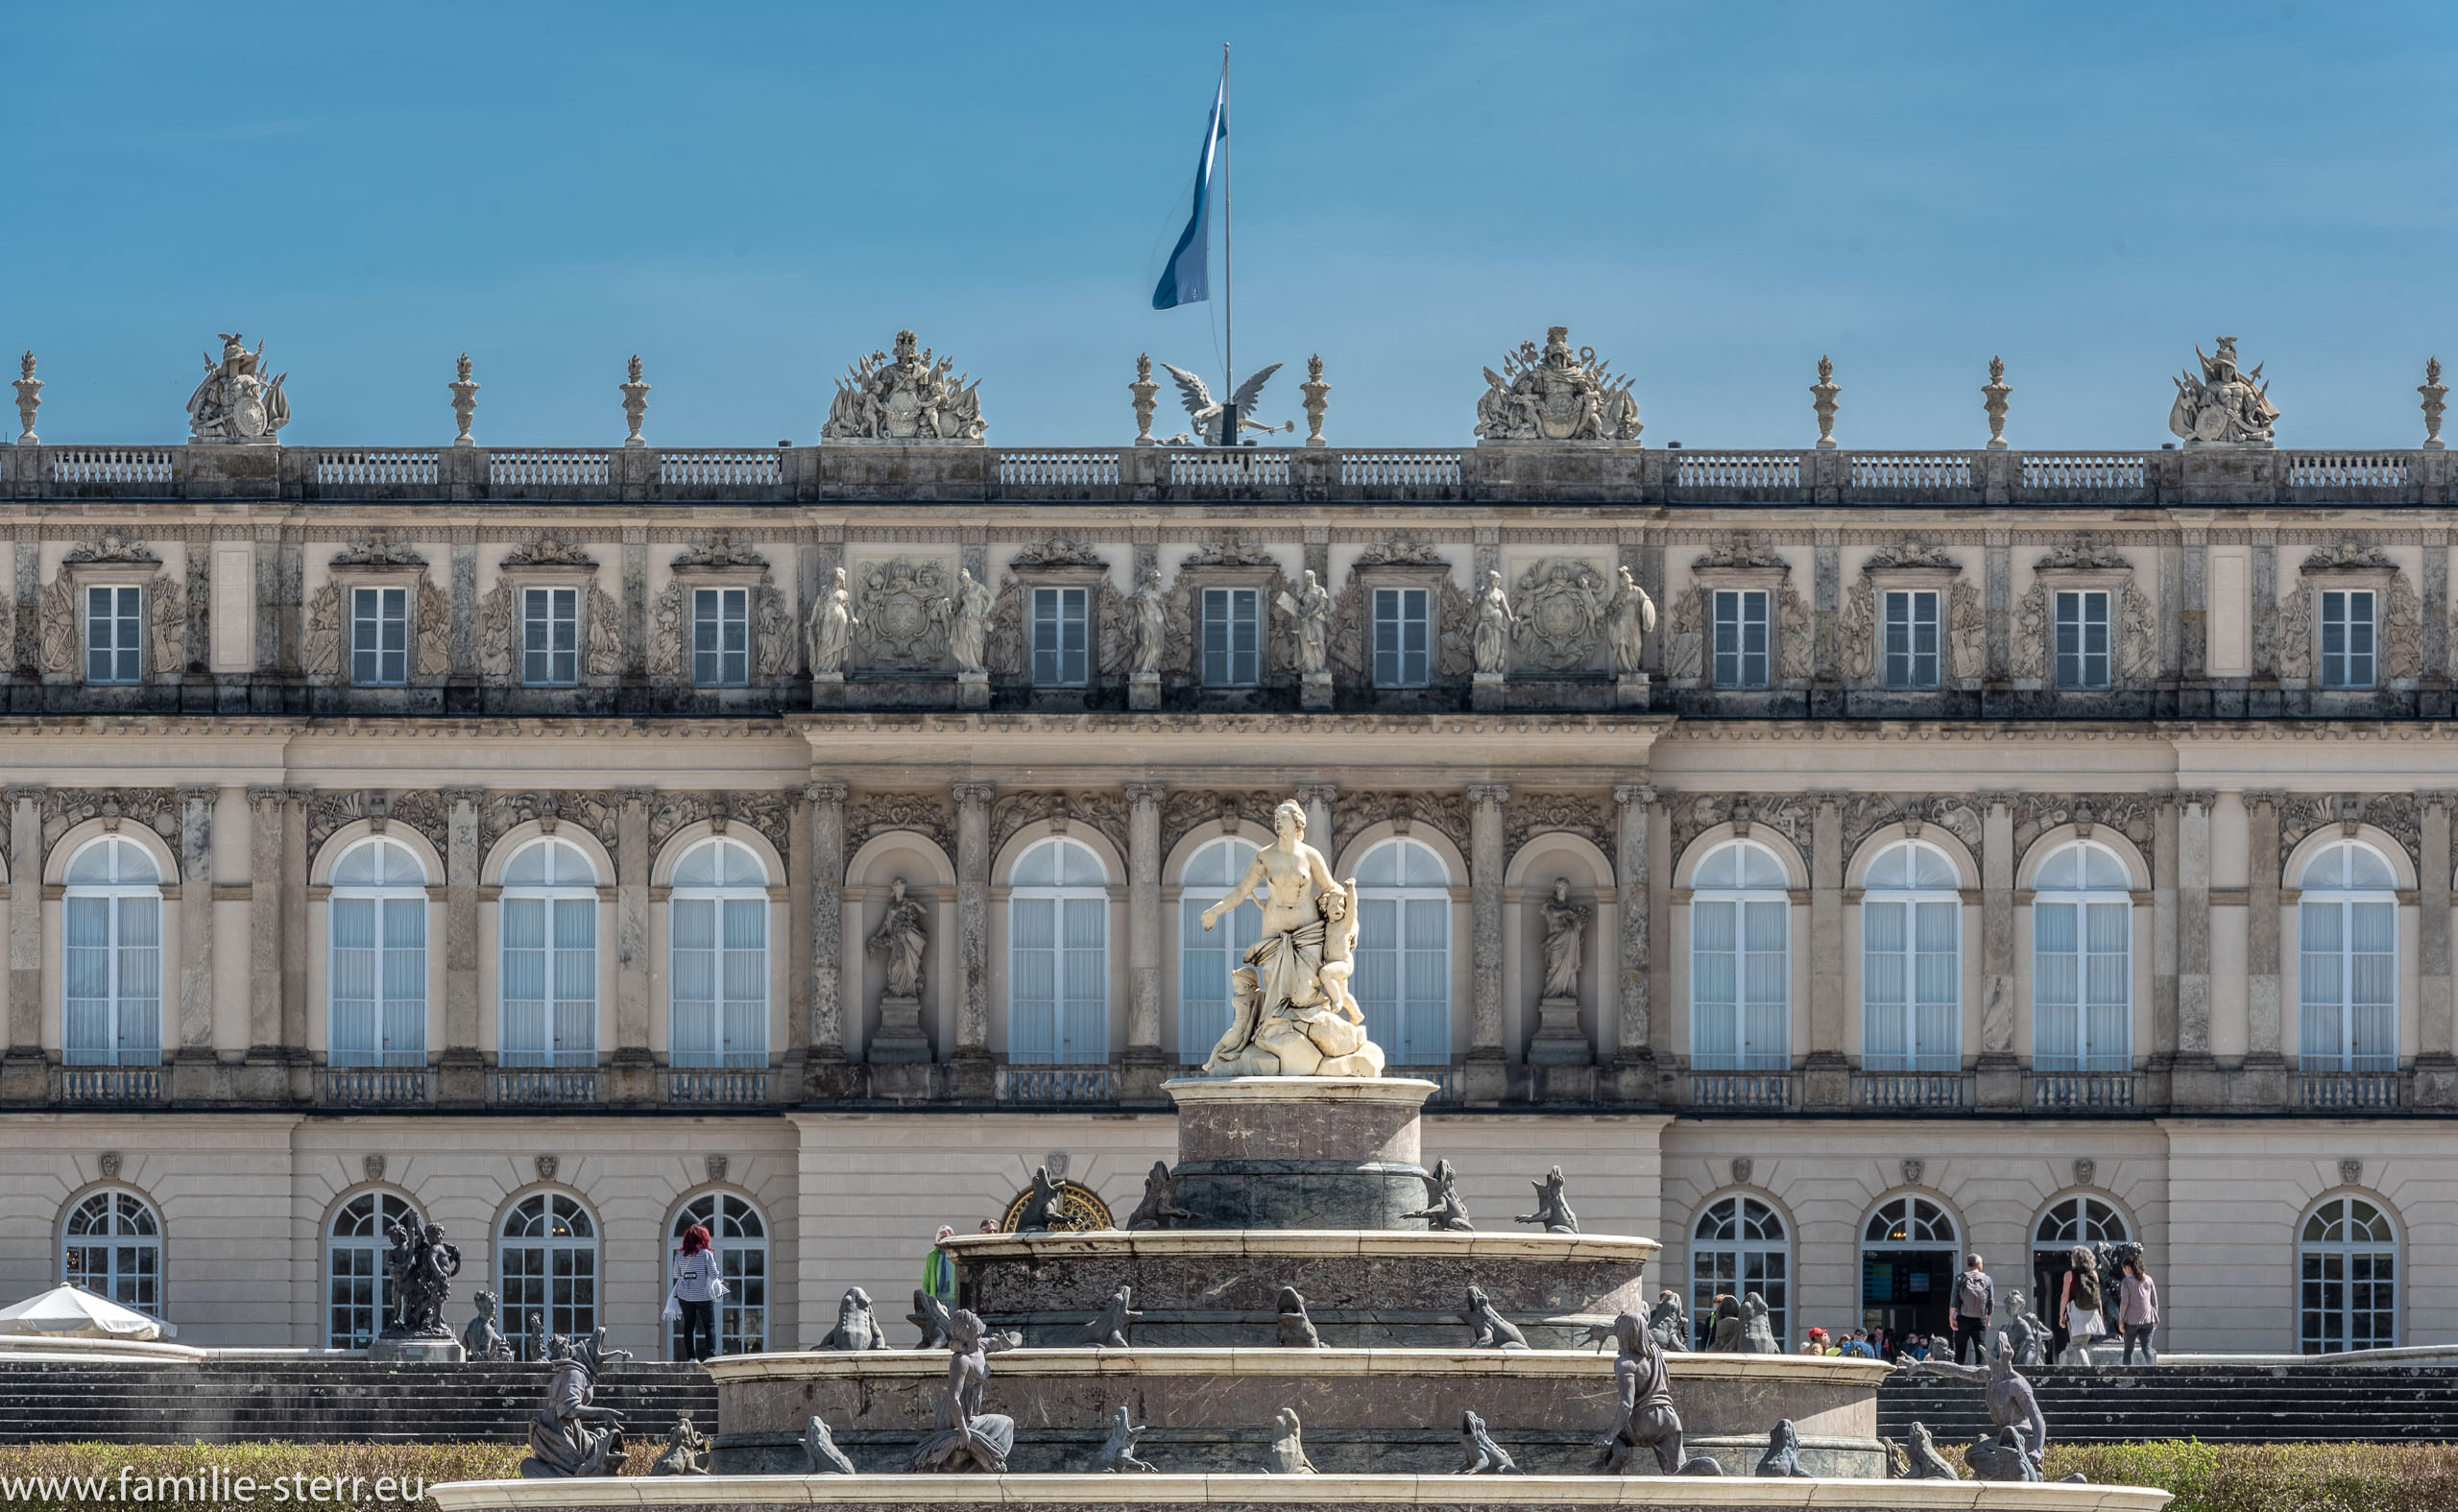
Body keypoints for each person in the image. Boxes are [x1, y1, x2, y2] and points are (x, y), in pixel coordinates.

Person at [667, 1223, 726, 1362]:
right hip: (703, 1295)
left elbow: (676, 1274)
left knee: (689, 1326)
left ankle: (691, 1357)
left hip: (685, 1295)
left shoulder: (680, 1254)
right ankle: (710, 1354)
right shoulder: (706, 1254)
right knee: (709, 1325)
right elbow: (713, 1274)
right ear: (703, 1238)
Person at [2060, 1243, 2107, 1364]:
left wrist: (2061, 1315)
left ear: (2076, 1259)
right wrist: (2100, 1314)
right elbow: (2098, 1297)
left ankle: (2087, 1372)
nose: (2071, 1259)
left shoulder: (2069, 1275)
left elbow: (2065, 1296)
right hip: (2091, 1313)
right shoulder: (2094, 1274)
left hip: (2075, 1312)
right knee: (2083, 1345)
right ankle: (2081, 1371)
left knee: (2077, 1345)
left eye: (2072, 1257)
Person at [1947, 1252, 1994, 1365]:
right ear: (1978, 1264)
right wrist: (1988, 1320)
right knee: (1981, 1349)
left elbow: (1954, 1300)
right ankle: (1980, 1376)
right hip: (1980, 1319)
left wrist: (1951, 1318)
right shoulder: (1987, 1279)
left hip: (1962, 1318)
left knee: (1960, 1349)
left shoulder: (1960, 1278)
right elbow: (1991, 1302)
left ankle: (1958, 1376)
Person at [2119, 1255, 2159, 1364]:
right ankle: (2152, 1373)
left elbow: (2124, 1303)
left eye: (2123, 1269)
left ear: (2127, 1267)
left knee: (2128, 1351)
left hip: (2130, 1322)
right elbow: (2154, 1302)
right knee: (2147, 1349)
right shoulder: (2149, 1280)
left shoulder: (2126, 1281)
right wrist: (2155, 1318)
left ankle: (2126, 1376)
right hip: (2148, 1321)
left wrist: (2121, 1321)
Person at [924, 1225, 958, 1304]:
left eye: (949, 1237)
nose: (946, 1240)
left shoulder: (958, 1253)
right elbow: (926, 1280)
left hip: (955, 1299)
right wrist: (924, 1300)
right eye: (943, 1238)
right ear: (938, 1240)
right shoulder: (932, 1255)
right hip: (937, 1300)